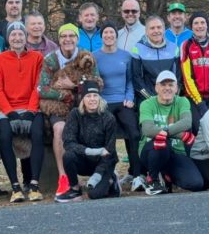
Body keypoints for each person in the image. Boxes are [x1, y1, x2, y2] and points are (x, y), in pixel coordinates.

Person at [39, 23, 101, 198]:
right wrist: (63, 96)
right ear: (58, 40)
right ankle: (64, 177)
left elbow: (96, 85)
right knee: (59, 129)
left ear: (77, 38)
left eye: (71, 36)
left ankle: (99, 173)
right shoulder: (51, 59)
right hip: (59, 108)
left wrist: (72, 87)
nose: (67, 39)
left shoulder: (86, 56)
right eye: (63, 36)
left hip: (83, 105)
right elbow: (41, 89)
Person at [0, 21, 46, 201]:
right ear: (8, 38)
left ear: (26, 37)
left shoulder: (37, 58)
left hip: (31, 107)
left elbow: (38, 86)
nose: (17, 38)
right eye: (13, 35)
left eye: (20, 34)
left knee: (38, 133)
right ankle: (15, 186)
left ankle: (34, 184)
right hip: (7, 110)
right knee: (5, 136)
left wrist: (30, 111)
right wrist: (9, 112)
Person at [137, 70, 204, 195]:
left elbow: (186, 122)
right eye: (163, 85)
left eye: (170, 85)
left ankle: (167, 175)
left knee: (196, 183)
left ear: (176, 88)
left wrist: (165, 131)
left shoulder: (182, 101)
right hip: (151, 151)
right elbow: (148, 130)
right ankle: (154, 180)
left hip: (176, 151)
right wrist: (180, 134)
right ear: (156, 88)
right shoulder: (147, 104)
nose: (167, 88)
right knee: (161, 142)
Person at [55, 81, 121, 202]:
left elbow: (110, 151)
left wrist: (97, 175)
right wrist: (91, 151)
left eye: (95, 96)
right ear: (82, 99)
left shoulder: (108, 118)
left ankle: (112, 181)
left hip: (103, 162)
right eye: (88, 96)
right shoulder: (75, 114)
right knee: (68, 156)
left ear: (100, 98)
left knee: (94, 195)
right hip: (83, 159)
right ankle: (74, 189)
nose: (92, 99)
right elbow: (68, 142)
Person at [93, 21, 140, 187]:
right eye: (105, 33)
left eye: (111, 33)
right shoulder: (94, 56)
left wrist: (130, 97)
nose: (109, 35)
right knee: (106, 136)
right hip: (104, 102)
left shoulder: (126, 56)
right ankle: (108, 174)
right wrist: (98, 100)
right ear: (101, 36)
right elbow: (94, 82)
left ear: (116, 35)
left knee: (134, 133)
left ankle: (136, 173)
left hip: (123, 101)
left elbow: (130, 80)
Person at [180, 11, 209, 130]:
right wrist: (199, 102)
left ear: (207, 25)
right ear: (191, 27)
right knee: (196, 127)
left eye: (202, 22)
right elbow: (187, 77)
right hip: (193, 97)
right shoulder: (186, 46)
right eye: (196, 23)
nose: (199, 26)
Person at [131, 15, 181, 103]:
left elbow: (178, 77)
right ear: (146, 31)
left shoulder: (174, 48)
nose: (156, 31)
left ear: (164, 29)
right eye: (152, 28)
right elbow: (137, 79)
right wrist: (150, 98)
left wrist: (172, 96)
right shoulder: (138, 48)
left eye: (159, 27)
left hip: (170, 97)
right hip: (147, 99)